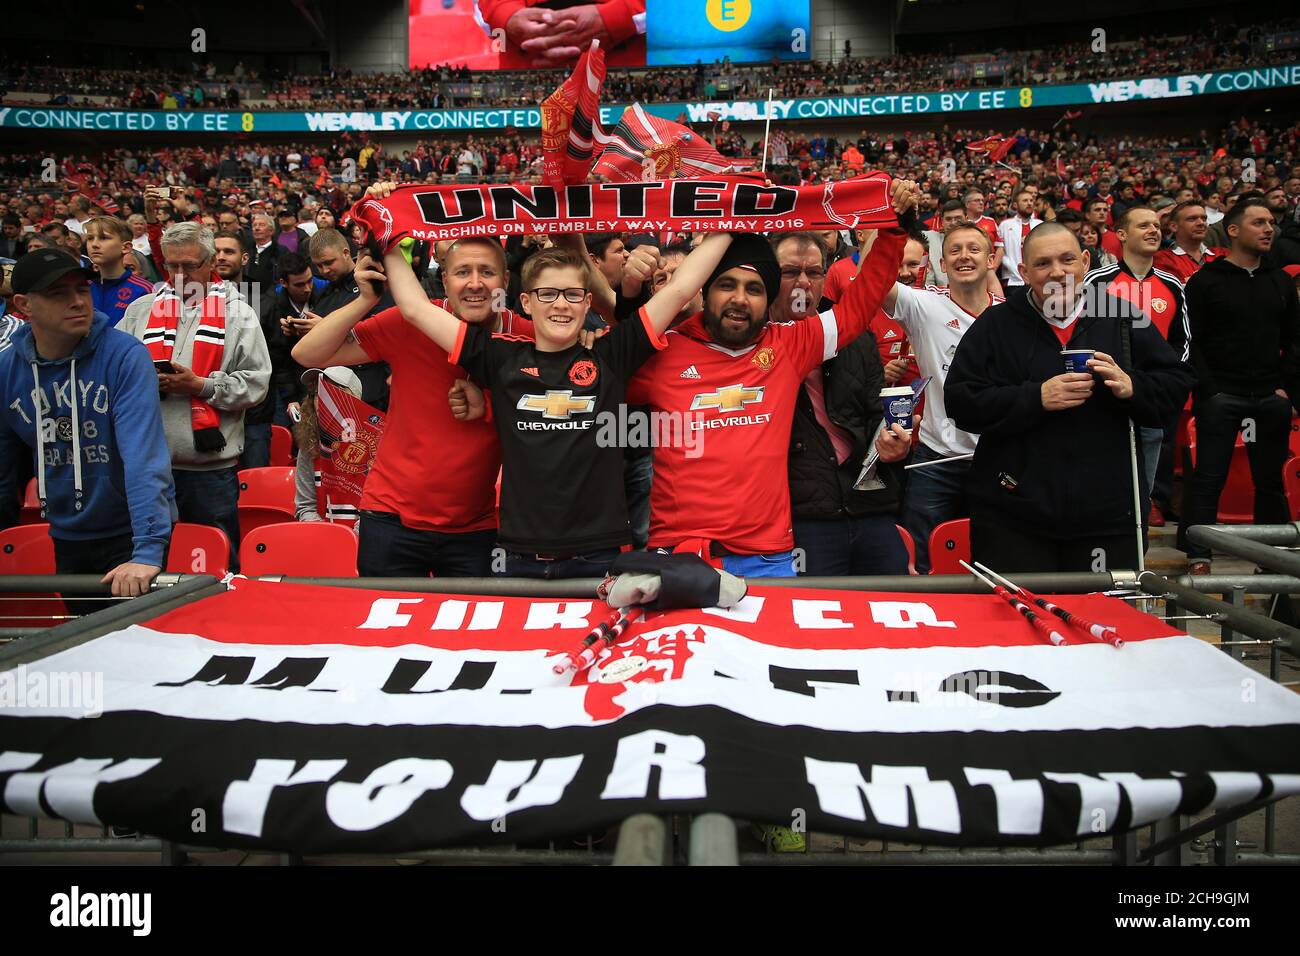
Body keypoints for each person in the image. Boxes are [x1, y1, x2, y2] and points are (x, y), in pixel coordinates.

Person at [386, 233, 735, 578]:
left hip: (598, 556)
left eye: (572, 294)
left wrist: (732, 217)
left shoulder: (612, 354)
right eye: (548, 294)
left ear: (587, 302)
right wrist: (384, 238)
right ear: (525, 301)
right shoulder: (498, 356)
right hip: (517, 557)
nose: (561, 305)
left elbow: (680, 289)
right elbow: (415, 309)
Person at [623, 180, 918, 577]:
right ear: (704, 293)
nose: (740, 299)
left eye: (754, 289)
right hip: (678, 554)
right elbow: (595, 376)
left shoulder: (788, 345)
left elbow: (860, 304)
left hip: (767, 559)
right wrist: (624, 295)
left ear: (768, 299)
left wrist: (894, 230)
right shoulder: (663, 353)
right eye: (726, 285)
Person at [945, 223, 1194, 572]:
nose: (1057, 272)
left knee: (1103, 622)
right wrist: (1036, 397)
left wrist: (1131, 387)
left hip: (1105, 517)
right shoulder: (996, 323)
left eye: (1067, 260)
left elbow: (1176, 383)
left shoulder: (1122, 317)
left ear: (1086, 262)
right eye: (1043, 263)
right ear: (1024, 271)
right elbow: (960, 401)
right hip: (1013, 517)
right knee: (1013, 623)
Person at [292, 238, 531, 578]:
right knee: (388, 629)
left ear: (506, 281)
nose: (476, 283)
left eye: (487, 272)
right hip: (391, 519)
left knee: (468, 631)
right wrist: (365, 300)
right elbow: (308, 355)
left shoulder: (526, 336)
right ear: (444, 278)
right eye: (463, 272)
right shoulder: (409, 322)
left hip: (475, 529)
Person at [0, 248, 175, 600]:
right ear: (24, 304)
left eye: (81, 290)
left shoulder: (124, 355)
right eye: (58, 294)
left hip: (130, 534)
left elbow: (143, 458)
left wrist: (147, 551)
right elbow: (5, 473)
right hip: (65, 533)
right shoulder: (8, 370)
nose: (78, 301)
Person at [120, 222, 271, 570]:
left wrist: (200, 386)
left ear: (210, 264)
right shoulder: (140, 310)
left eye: (189, 266)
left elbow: (257, 384)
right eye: (171, 266)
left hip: (209, 468)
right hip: (148, 464)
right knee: (152, 564)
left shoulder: (239, 312)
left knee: (216, 563)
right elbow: (113, 374)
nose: (178, 275)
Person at [772, 231, 912, 575]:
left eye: (814, 272)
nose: (803, 282)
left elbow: (874, 415)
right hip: (802, 517)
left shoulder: (856, 338)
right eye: (790, 272)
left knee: (895, 612)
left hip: (868, 506)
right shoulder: (749, 346)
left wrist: (891, 443)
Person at [1181, 200, 1300, 573]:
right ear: (1233, 231)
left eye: (1270, 223)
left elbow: (1294, 340)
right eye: (1258, 222)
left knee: (1269, 481)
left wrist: (1284, 388)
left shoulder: (1280, 281)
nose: (1269, 229)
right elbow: (1192, 341)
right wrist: (1210, 390)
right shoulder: (1205, 281)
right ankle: (1198, 556)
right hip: (1221, 396)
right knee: (1208, 479)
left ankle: (1272, 560)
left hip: (1270, 396)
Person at [880, 222, 1002, 572]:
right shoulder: (924, 305)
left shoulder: (1011, 315)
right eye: (955, 250)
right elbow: (873, 281)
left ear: (991, 259)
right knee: (918, 563)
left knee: (994, 559)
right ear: (942, 264)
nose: (965, 256)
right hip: (936, 461)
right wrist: (888, 221)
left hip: (994, 458)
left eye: (974, 249)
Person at [1086, 206, 1190, 527]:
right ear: (1121, 234)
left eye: (1157, 226)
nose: (1153, 231)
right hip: (1108, 388)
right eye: (1143, 225)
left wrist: (1166, 378)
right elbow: (1084, 331)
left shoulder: (1173, 284)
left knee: (1158, 442)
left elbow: (1183, 340)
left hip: (1154, 388)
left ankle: (1153, 501)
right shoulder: (1099, 281)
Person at [292, 366, 366, 523]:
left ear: (355, 398)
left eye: (333, 391)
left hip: (364, 542)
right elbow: (306, 507)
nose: (325, 399)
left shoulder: (375, 443)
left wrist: (353, 539)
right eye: (319, 394)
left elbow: (376, 512)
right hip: (322, 539)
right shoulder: (309, 444)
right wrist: (324, 536)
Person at [84, 216, 154, 327]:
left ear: (125, 247)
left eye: (103, 238)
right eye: (90, 238)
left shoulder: (144, 290)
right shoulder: (82, 288)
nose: (94, 244)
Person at [1153, 201, 1225, 284]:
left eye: (1204, 218)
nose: (1201, 223)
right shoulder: (1161, 259)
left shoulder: (1223, 254)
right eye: (1192, 219)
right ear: (1174, 226)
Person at [996, 189, 1042, 288]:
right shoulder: (1005, 225)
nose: (1029, 203)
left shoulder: (1040, 225)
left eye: (1031, 200)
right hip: (1012, 281)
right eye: (1025, 201)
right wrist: (1013, 268)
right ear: (1015, 205)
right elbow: (1000, 251)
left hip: (1037, 279)